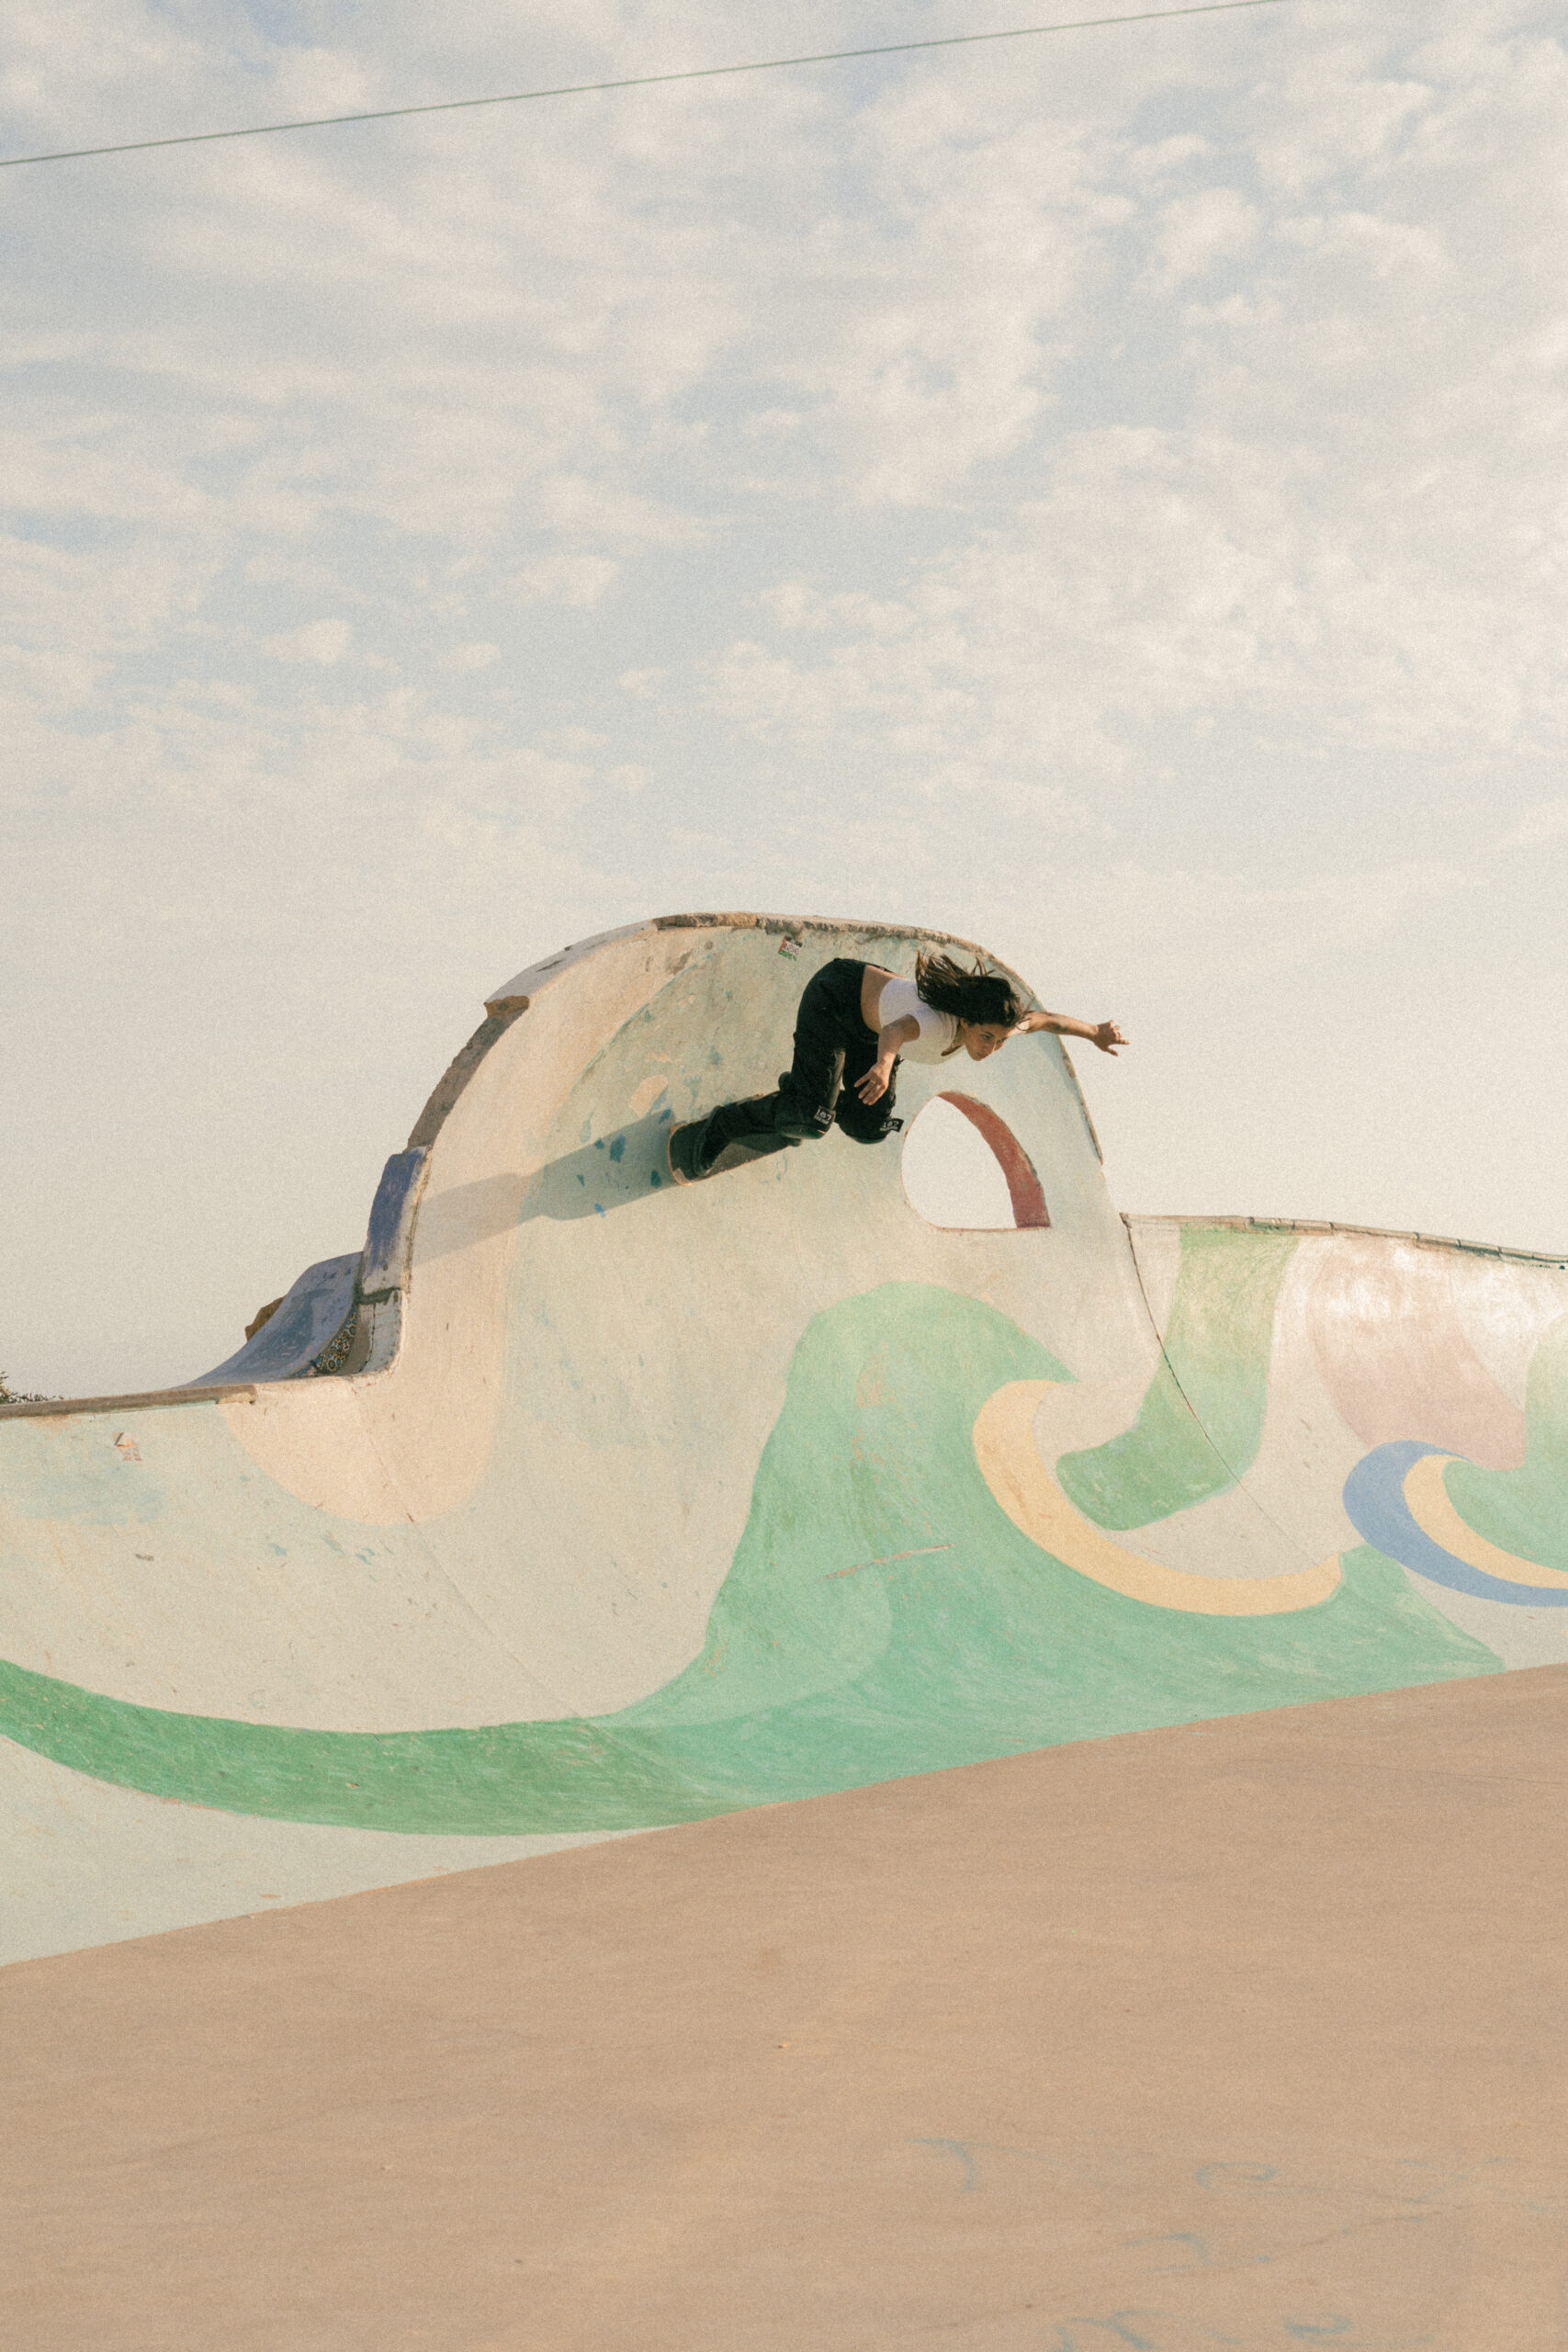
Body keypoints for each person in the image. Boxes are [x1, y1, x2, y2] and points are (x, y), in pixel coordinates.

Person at [668, 950, 1124, 1182]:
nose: (991, 1048)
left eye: (1001, 1041)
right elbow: (896, 1033)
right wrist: (884, 1066)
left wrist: (1096, 1033)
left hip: (871, 1025)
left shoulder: (1003, 1022)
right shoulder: (937, 1024)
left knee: (870, 1127)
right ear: (965, 1021)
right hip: (834, 999)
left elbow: (1049, 1021)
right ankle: (722, 1127)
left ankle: (806, 1099)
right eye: (986, 1038)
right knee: (809, 1121)